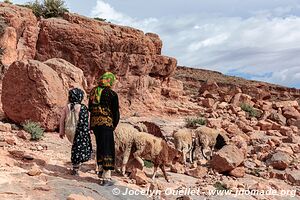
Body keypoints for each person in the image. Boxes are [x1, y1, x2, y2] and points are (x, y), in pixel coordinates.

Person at [88, 72, 120, 186]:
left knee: (100, 146)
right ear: (110, 81)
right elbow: (115, 111)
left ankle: (100, 171)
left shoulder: (93, 92)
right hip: (106, 124)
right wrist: (114, 124)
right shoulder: (112, 94)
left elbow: (90, 108)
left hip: (95, 124)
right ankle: (106, 177)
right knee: (108, 148)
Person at [59, 88, 92, 175]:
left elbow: (62, 119)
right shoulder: (83, 107)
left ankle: (75, 166)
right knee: (78, 148)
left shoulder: (67, 107)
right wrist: (89, 130)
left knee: (75, 147)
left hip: (69, 130)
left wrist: (61, 131)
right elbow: (87, 121)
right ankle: (76, 168)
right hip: (79, 131)